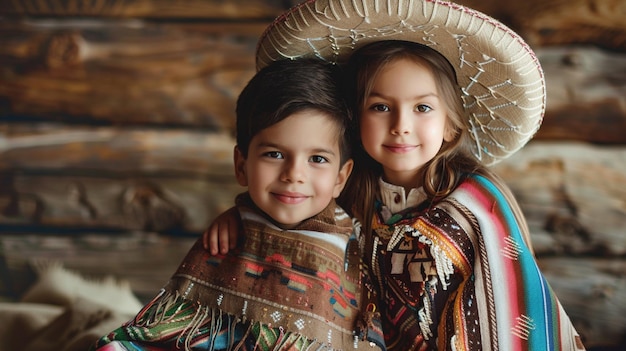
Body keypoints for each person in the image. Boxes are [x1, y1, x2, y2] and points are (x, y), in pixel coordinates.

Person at [206, 0, 586, 350]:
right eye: (380, 107)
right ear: (355, 121)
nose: (401, 126)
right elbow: (293, 214)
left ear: (450, 126)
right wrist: (242, 217)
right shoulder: (351, 189)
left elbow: (503, 308)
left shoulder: (476, 205)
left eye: (422, 107)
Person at [90, 58, 384, 351]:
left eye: (317, 159)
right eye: (274, 154)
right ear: (241, 166)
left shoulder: (349, 244)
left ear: (340, 178)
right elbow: (189, 325)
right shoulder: (233, 235)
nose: (294, 174)